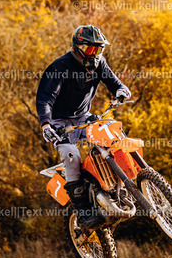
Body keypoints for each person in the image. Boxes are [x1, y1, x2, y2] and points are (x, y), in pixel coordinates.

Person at [36, 24, 131, 226]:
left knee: (111, 134)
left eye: (98, 49)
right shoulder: (60, 67)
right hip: (59, 122)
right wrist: (46, 125)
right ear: (77, 47)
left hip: (82, 117)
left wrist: (121, 91)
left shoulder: (99, 63)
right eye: (90, 49)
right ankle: (83, 211)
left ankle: (120, 186)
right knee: (72, 156)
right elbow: (44, 100)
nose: (94, 54)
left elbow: (114, 83)